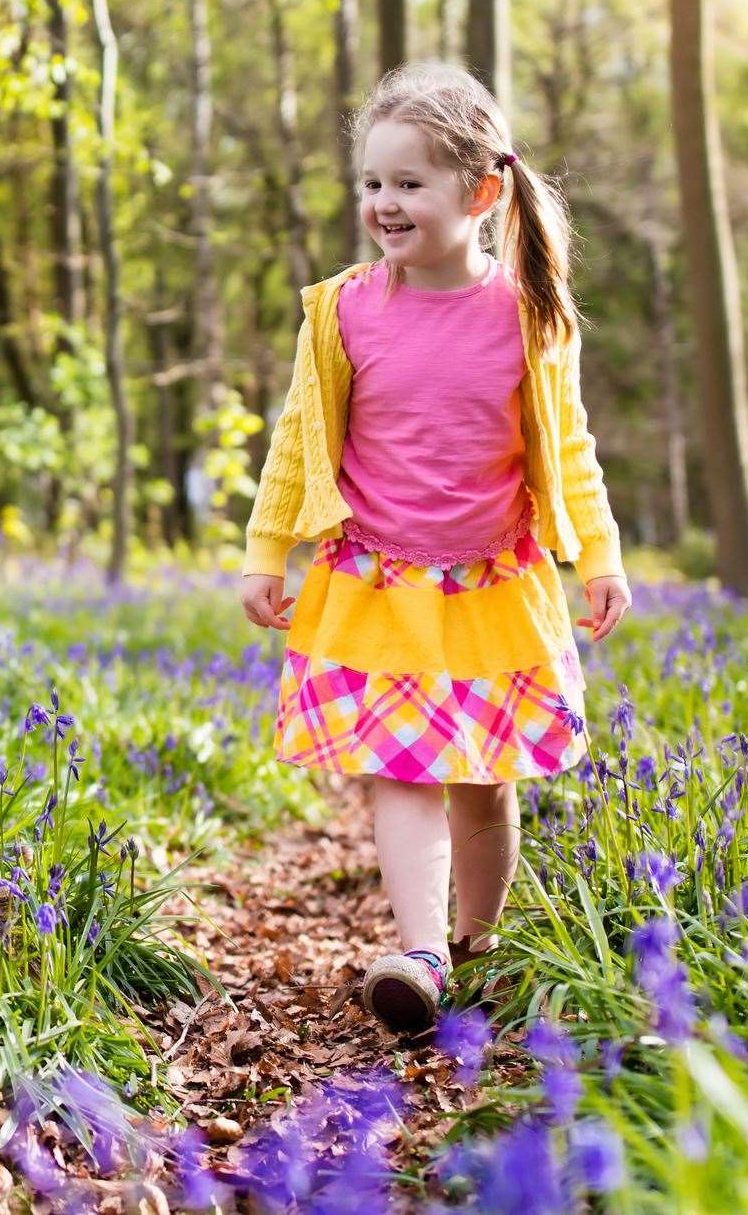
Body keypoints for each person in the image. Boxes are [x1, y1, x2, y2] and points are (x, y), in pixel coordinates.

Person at [238, 61, 633, 1033]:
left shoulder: (529, 317)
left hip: (490, 586)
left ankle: (479, 940)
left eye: (408, 183)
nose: (384, 203)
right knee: (400, 769)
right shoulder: (342, 312)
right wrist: (267, 548)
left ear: (482, 192)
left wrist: (600, 555)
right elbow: (299, 438)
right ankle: (417, 950)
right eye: (372, 183)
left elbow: (568, 445)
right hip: (377, 581)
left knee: (480, 781)